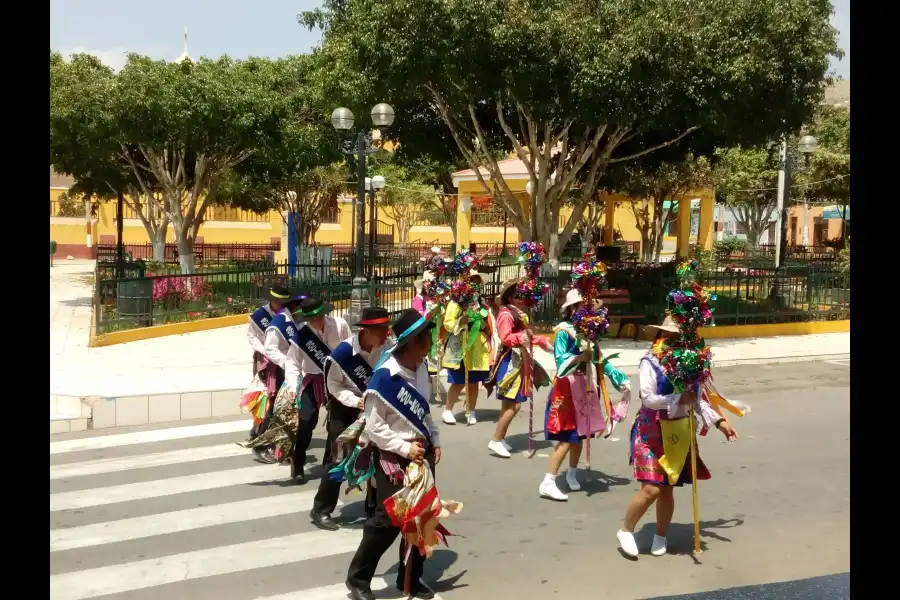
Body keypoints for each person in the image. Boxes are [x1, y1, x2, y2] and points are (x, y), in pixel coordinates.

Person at [616, 316, 738, 558]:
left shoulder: (693, 366)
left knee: (668, 488)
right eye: (672, 336)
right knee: (652, 489)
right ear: (663, 336)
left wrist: (719, 422)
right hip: (651, 431)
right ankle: (626, 530)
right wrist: (675, 399)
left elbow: (699, 400)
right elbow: (648, 398)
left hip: (679, 431)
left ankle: (660, 535)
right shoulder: (650, 361)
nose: (676, 342)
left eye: (681, 337)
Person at [345, 309, 442, 600]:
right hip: (393, 457)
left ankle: (410, 578)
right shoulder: (384, 378)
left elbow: (424, 412)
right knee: (388, 521)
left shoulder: (422, 368)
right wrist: (404, 448)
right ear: (412, 342)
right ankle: (358, 579)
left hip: (420, 454)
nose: (430, 342)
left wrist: (434, 439)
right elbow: (375, 429)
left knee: (422, 518)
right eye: (426, 337)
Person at [540, 288, 631, 501]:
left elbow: (601, 361)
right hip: (567, 389)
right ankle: (548, 480)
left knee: (580, 434)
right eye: (584, 305)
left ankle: (572, 472)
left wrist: (619, 380)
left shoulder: (589, 333)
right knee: (566, 437)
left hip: (585, 388)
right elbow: (561, 363)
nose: (589, 310)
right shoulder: (563, 331)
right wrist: (580, 357)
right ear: (573, 308)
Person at [310, 307, 391, 531]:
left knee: (375, 455)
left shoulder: (386, 348)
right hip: (344, 408)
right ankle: (322, 509)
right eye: (381, 329)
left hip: (372, 406)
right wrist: (356, 402)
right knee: (337, 459)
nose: (386, 334)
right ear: (365, 331)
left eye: (386, 328)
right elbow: (333, 386)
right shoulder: (343, 355)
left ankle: (372, 507)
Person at [487, 278, 552, 458]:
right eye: (517, 295)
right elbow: (506, 337)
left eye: (522, 294)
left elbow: (526, 336)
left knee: (508, 403)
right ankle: (496, 439)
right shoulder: (506, 314)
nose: (521, 298)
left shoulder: (516, 313)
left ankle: (500, 437)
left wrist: (541, 341)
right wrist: (522, 337)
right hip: (511, 363)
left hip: (519, 360)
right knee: (514, 405)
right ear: (510, 297)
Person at [244, 284, 294, 460]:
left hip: (284, 362)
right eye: (277, 301)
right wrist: (266, 351)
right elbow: (252, 337)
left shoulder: (287, 315)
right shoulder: (259, 316)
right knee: (265, 398)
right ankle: (259, 433)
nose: (280, 304)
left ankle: (269, 435)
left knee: (279, 401)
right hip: (265, 362)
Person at [440, 271, 494, 426]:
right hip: (461, 345)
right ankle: (448, 410)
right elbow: (448, 323)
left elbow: (485, 323)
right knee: (458, 381)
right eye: (472, 281)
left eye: (477, 282)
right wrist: (460, 321)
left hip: (477, 347)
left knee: (474, 381)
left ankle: (471, 410)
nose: (475, 285)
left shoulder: (480, 303)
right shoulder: (455, 302)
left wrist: (481, 323)